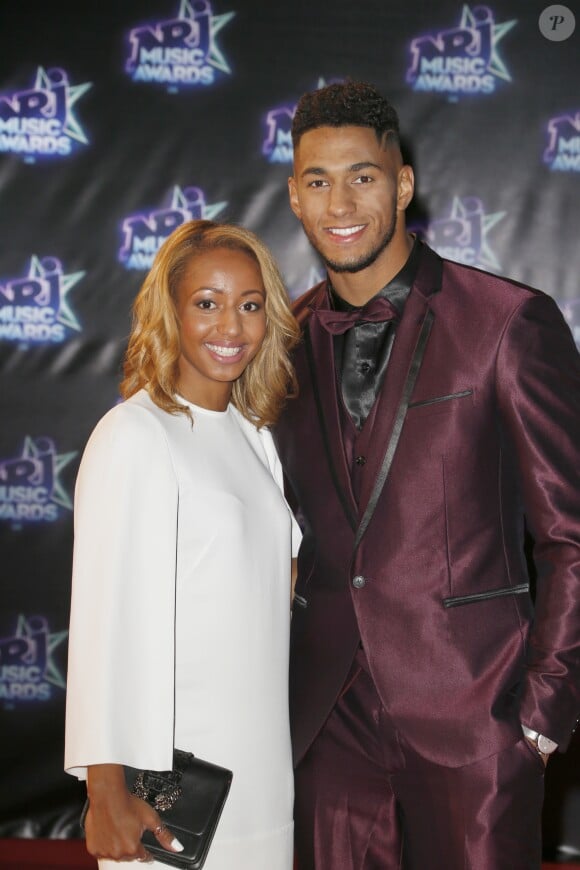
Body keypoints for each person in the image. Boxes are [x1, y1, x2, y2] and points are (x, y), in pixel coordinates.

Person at [272, 80, 580, 869]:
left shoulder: (508, 322)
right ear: (295, 199)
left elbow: (570, 534)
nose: (340, 201)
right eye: (317, 181)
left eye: (362, 176)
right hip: (326, 725)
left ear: (403, 184)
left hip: (475, 717)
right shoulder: (279, 343)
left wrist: (543, 710)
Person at [64, 219, 301, 870]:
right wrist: (103, 787)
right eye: (207, 303)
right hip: (173, 792)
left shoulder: (255, 438)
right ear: (169, 310)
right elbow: (101, 621)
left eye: (249, 305)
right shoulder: (135, 434)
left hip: (263, 781)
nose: (232, 327)